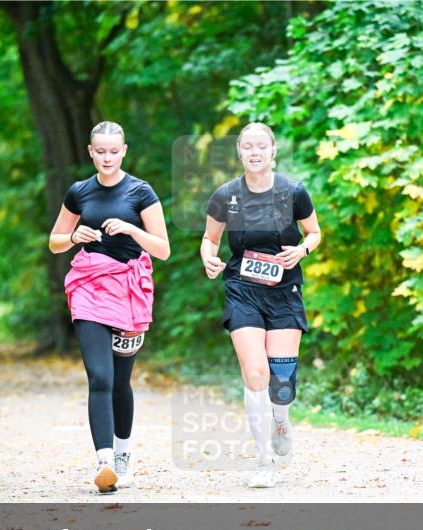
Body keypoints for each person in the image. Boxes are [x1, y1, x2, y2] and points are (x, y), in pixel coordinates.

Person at [48, 121, 170, 493]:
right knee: (98, 376)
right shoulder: (79, 192)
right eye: (100, 151)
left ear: (124, 151)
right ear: (90, 152)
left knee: (119, 381)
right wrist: (73, 236)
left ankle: (122, 454)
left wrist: (132, 230)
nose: (107, 157)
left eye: (113, 151)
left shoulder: (140, 192)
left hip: (130, 290)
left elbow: (163, 249)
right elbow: (54, 241)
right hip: (88, 286)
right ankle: (103, 462)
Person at [199, 123, 322, 488]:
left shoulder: (293, 192)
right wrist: (209, 258)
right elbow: (210, 238)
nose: (254, 153)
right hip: (243, 290)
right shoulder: (225, 196)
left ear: (273, 152)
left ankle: (280, 417)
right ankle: (263, 459)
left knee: (281, 382)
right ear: (239, 152)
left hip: (285, 291)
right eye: (247, 147)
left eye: (261, 147)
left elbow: (314, 232)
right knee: (255, 374)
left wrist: (302, 249)